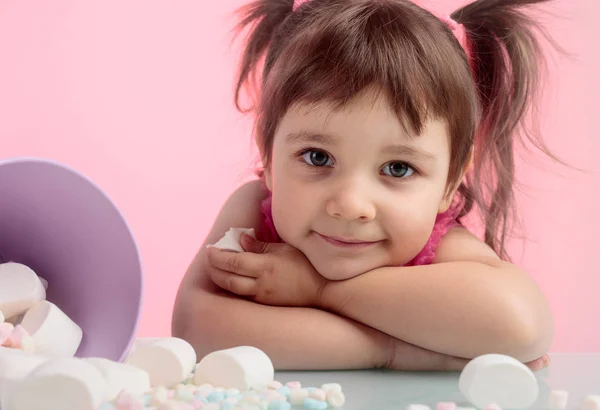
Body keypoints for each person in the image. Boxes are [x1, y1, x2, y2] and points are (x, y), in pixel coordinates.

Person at [172, 0, 561, 371]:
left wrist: (320, 289)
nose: (351, 204)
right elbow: (195, 329)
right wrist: (393, 352)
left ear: (450, 182)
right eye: (317, 157)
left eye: (397, 168)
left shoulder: (441, 248)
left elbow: (523, 325)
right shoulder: (253, 210)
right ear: (269, 158)